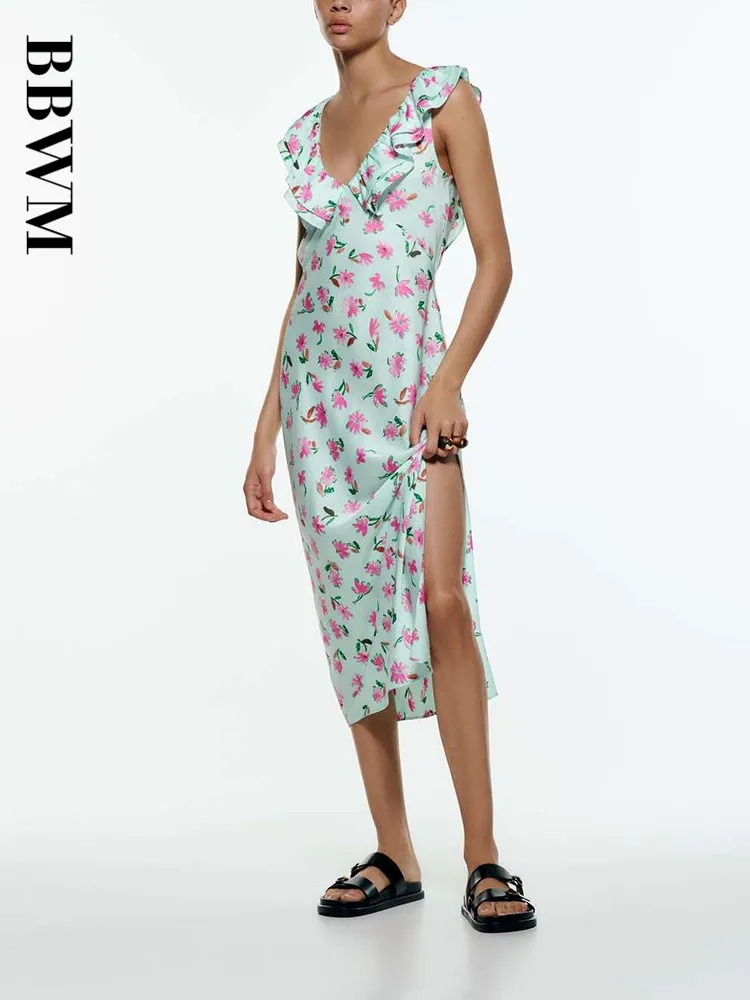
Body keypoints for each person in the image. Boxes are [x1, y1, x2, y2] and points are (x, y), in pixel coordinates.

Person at [244, 1, 536, 933]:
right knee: (352, 619)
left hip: (413, 390)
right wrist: (266, 427)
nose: (338, 2)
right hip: (318, 408)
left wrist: (449, 382)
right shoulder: (305, 136)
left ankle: (483, 856)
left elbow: (496, 261)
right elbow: (306, 283)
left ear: (397, 3)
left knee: (442, 599)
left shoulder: (443, 101)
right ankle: (394, 853)